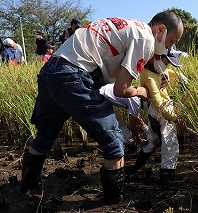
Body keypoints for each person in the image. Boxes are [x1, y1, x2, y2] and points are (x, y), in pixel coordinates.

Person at [19, 11, 184, 205]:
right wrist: (141, 91)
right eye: (171, 42)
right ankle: (114, 204)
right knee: (114, 143)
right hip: (74, 76)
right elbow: (121, 89)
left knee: (45, 135)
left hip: (51, 72)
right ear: (160, 30)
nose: (168, 48)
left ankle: (27, 190)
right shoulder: (145, 38)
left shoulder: (129, 25)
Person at [130, 48, 187, 187]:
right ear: (156, 57)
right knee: (170, 147)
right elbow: (159, 104)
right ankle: (166, 183)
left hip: (153, 112)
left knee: (152, 141)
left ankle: (134, 169)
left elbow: (168, 72)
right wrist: (176, 119)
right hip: (162, 111)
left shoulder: (154, 69)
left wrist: (179, 76)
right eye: (166, 62)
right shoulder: (149, 76)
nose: (166, 66)